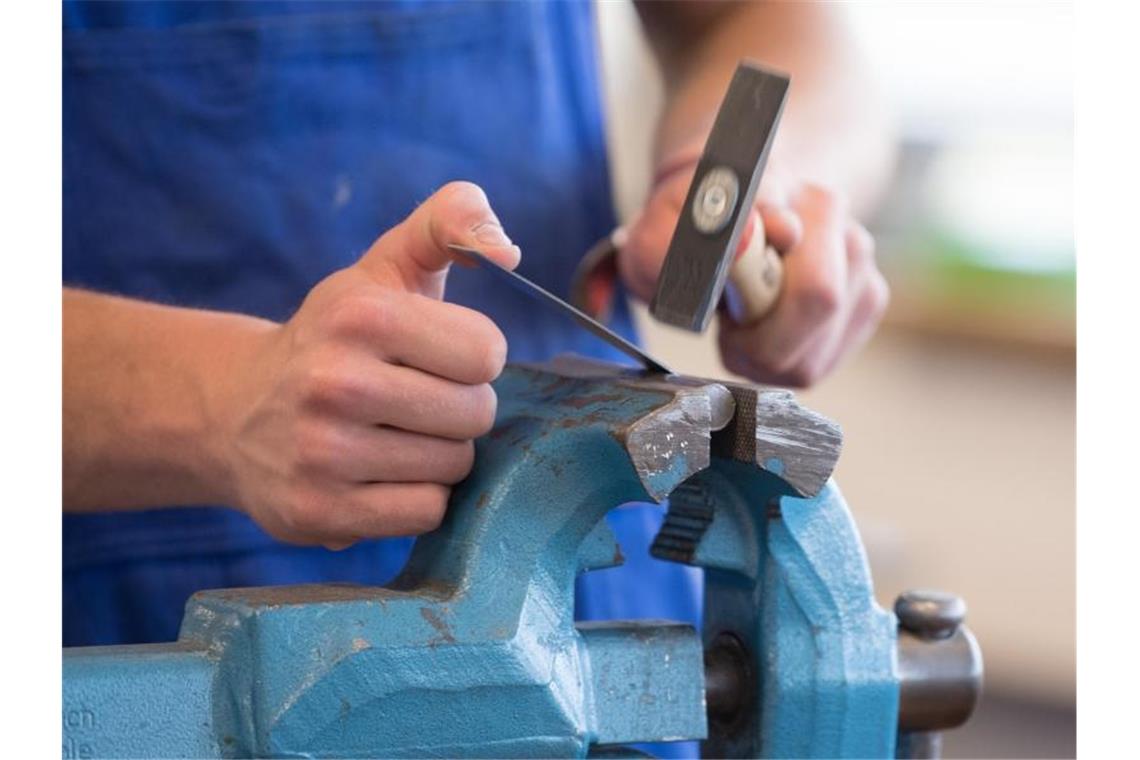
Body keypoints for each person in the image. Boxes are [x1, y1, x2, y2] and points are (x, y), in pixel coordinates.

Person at [63, 0, 890, 669]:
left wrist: (759, 186)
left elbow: (771, 18)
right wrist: (221, 399)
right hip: (134, 620)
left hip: (598, 581)